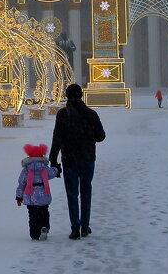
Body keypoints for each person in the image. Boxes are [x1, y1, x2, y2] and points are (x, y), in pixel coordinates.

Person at [49, 83, 107, 240]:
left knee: (72, 194)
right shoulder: (91, 114)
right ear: (82, 95)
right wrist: (88, 136)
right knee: (86, 192)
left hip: (69, 159)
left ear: (67, 96)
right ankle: (85, 226)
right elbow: (101, 136)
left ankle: (75, 228)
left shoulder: (63, 114)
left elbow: (57, 138)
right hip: (87, 158)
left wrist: (53, 159)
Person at [15, 143, 60, 241]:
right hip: (43, 194)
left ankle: (34, 233)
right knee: (44, 212)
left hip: (30, 196)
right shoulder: (44, 167)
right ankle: (44, 227)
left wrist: (19, 197)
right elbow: (51, 173)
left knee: (32, 215)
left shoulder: (26, 169)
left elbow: (22, 183)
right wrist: (57, 169)